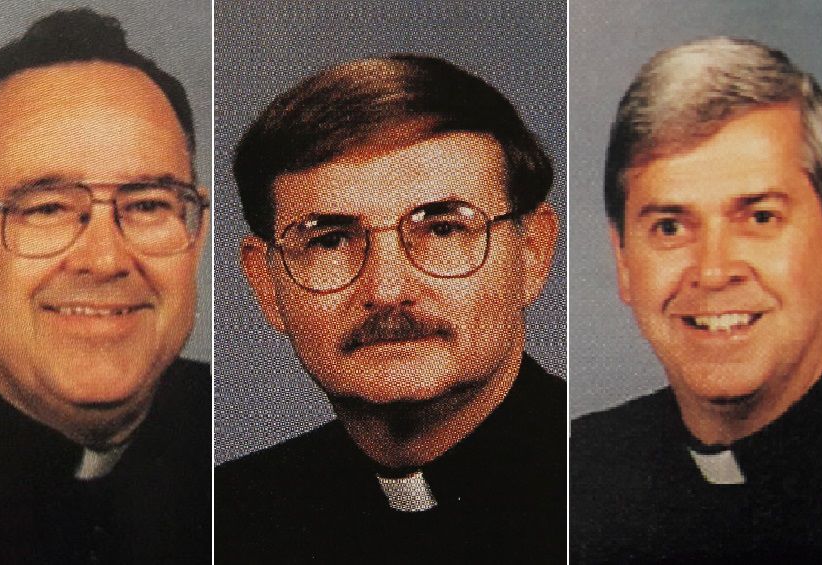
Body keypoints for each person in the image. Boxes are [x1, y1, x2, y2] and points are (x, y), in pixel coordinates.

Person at [215, 54, 563, 562]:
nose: (386, 288)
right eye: (330, 241)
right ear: (267, 284)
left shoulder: (603, 489)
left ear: (532, 253)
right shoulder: (229, 518)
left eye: (443, 229)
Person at [0, 9, 210, 564]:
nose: (105, 259)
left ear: (194, 239)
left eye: (148, 204)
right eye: (47, 208)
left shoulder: (231, 459)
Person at [571, 36, 822, 562]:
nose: (712, 272)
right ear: (622, 260)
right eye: (669, 226)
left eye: (759, 218)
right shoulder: (575, 472)